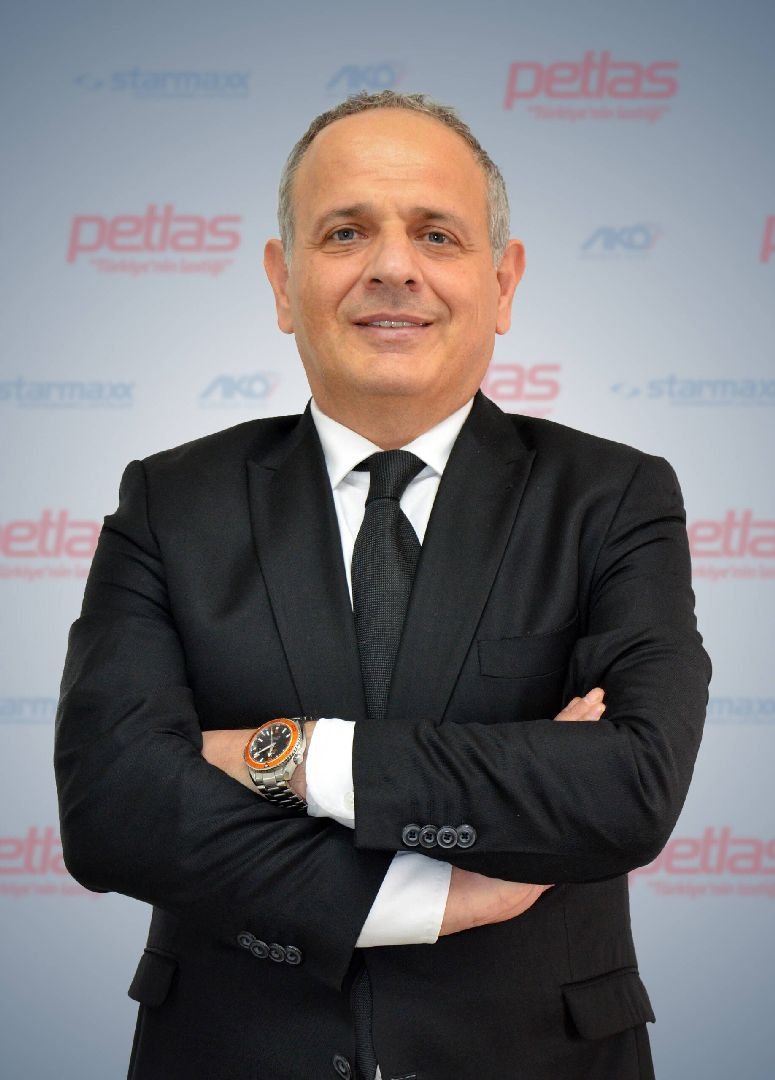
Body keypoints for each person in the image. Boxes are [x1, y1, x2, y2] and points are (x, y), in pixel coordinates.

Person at [55, 91, 710, 1080]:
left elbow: (627, 788)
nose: (393, 266)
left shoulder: (613, 498)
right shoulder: (169, 502)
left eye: (436, 234)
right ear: (283, 282)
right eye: (345, 232)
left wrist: (288, 755)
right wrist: (422, 897)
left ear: (502, 281)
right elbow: (112, 806)